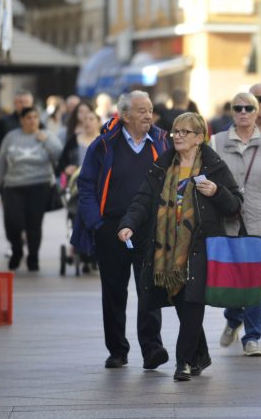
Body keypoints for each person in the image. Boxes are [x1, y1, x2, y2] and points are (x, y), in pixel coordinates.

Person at [118, 113, 243, 381]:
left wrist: (217, 192)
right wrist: (129, 223)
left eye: (185, 132)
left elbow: (235, 204)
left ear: (200, 138)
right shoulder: (163, 165)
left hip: (200, 247)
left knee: (192, 302)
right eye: (175, 131)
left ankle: (183, 362)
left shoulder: (213, 165)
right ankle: (200, 355)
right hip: (167, 249)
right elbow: (143, 198)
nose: (177, 136)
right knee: (182, 304)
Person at [73, 90, 170, 370]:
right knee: (114, 292)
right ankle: (117, 350)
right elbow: (86, 185)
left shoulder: (162, 142)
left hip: (149, 228)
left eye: (150, 110)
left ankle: (152, 349)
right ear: (124, 115)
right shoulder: (104, 145)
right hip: (111, 228)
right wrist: (96, 223)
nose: (148, 115)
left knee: (149, 289)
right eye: (141, 111)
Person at [211, 92, 261, 357]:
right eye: (238, 108)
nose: (243, 112)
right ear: (232, 112)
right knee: (234, 278)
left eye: (249, 108)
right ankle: (233, 319)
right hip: (229, 218)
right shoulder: (217, 141)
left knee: (255, 278)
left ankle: (252, 336)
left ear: (257, 113)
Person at [0, 107, 62, 271]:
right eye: (28, 117)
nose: (32, 120)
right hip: (13, 186)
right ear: (22, 120)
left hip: (39, 185)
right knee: (12, 223)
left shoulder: (47, 135)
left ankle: (33, 257)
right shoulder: (11, 137)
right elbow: (1, 162)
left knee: (34, 224)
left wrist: (46, 141)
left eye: (35, 117)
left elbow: (59, 157)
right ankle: (17, 250)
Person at [57, 106, 102, 273]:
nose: (88, 122)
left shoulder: (105, 140)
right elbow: (61, 163)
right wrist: (67, 168)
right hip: (78, 186)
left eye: (92, 119)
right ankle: (81, 248)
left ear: (99, 122)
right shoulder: (74, 140)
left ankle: (95, 253)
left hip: (100, 186)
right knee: (77, 211)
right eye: (85, 119)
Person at [0, 90, 35, 166]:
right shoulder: (4, 122)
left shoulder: (39, 124)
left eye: (26, 102)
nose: (23, 105)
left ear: (31, 104)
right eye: (20, 102)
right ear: (15, 104)